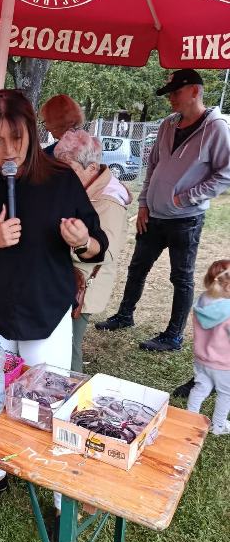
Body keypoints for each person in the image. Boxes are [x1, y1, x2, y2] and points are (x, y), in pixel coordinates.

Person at [0, 89, 108, 502]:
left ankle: (57, 490)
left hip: (45, 308)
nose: (8, 151)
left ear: (32, 133)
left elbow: (97, 245)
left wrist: (83, 240)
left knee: (51, 400)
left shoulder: (60, 180)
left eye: (16, 138)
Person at [96, 68, 230, 352]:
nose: (171, 99)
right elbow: (153, 165)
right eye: (169, 94)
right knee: (137, 268)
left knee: (181, 278)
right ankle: (125, 315)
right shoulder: (169, 124)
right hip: (154, 215)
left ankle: (173, 336)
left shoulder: (216, 128)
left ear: (195, 91)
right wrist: (144, 203)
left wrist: (187, 198)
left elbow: (225, 173)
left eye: (176, 93)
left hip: (185, 219)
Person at [54, 130, 132, 372]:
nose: (61, 176)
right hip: (63, 281)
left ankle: (73, 389)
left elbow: (105, 252)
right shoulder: (79, 187)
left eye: (69, 169)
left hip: (81, 287)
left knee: (68, 347)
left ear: (92, 168)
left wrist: (76, 242)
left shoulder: (109, 201)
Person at [186, 260, 230, 436]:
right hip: (224, 363)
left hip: (202, 358)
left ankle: (189, 419)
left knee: (200, 388)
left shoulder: (203, 300)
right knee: (226, 394)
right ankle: (218, 426)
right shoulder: (228, 310)